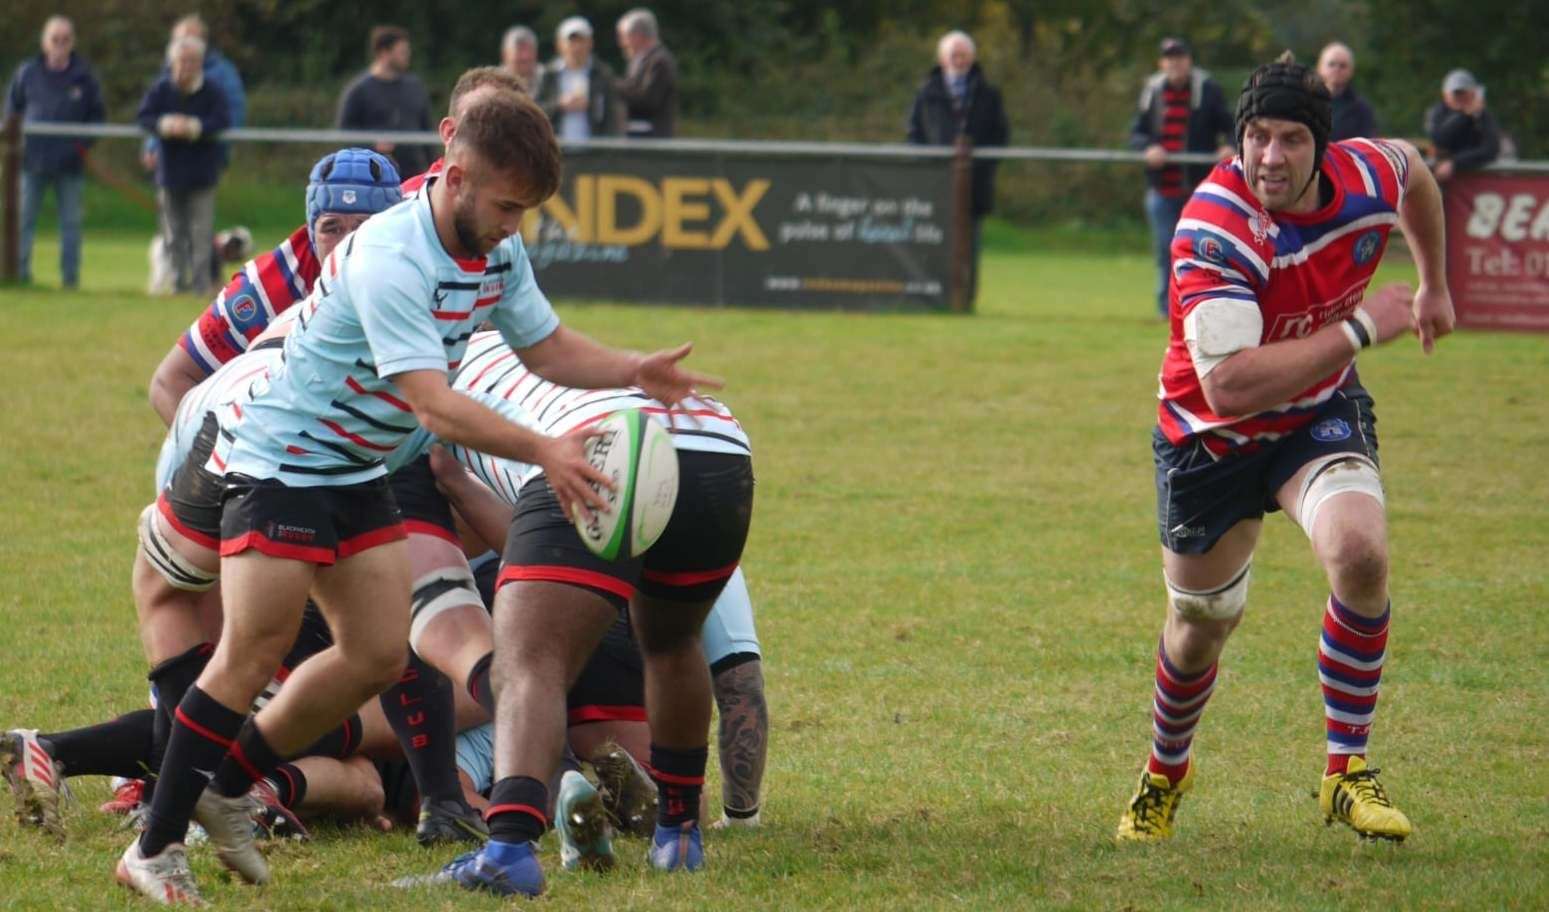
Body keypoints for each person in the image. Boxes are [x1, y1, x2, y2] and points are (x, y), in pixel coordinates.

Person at [115, 87, 719, 905]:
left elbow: (542, 346)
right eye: (507, 204)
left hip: (358, 473)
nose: (515, 225)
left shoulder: (494, 248)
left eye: (526, 210)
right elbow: (433, 403)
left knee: (374, 656)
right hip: (281, 465)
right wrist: (547, 449)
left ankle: (227, 787)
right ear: (454, 166)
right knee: (251, 654)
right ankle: (154, 843)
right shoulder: (391, 254)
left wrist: (630, 371)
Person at [1114, 53, 1454, 846]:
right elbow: (1229, 387)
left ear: (1322, 147)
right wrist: (1362, 327)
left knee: (1359, 553)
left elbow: (1417, 175)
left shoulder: (1368, 170)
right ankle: (1165, 770)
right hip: (1211, 440)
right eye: (1256, 137)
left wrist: (1434, 281)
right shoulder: (1212, 226)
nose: (1268, 156)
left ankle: (1345, 771)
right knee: (1201, 623)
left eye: (1290, 140)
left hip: (1313, 414)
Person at [405, 327, 752, 895]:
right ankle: (680, 836)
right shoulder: (516, 336)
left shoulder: (412, 370)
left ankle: (509, 850)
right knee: (672, 640)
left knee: (529, 658)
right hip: (717, 441)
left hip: (598, 443)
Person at [147, 148, 402, 424]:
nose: (346, 245)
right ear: (311, 233)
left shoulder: (424, 272)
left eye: (364, 227)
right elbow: (169, 382)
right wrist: (218, 460)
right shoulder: (270, 288)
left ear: (393, 231)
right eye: (331, 228)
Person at [1128, 37, 1235, 318]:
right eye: (1169, 57)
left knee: (1203, 251)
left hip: (1199, 190)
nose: (1175, 62)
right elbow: (1135, 133)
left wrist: (1228, 146)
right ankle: (1168, 310)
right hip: (1162, 188)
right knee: (1166, 249)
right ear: (1162, 63)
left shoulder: (1207, 90)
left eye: (1180, 56)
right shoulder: (1152, 91)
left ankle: (1203, 305)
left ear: (1189, 60)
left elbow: (1231, 125)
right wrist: (1147, 148)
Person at [905, 30, 1009, 306]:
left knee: (970, 247)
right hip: (935, 187)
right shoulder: (926, 94)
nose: (959, 60)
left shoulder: (989, 95)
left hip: (974, 187)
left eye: (964, 55)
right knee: (934, 244)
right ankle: (934, 300)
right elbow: (914, 136)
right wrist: (928, 167)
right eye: (954, 55)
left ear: (972, 58)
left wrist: (979, 167)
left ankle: (966, 300)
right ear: (942, 59)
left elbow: (1001, 137)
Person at [3, 16, 105, 288]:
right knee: (23, 222)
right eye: (54, 39)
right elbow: (11, 112)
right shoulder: (27, 72)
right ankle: (18, 276)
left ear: (73, 42)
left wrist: (82, 146)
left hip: (70, 166)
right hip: (31, 163)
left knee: (70, 226)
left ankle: (70, 281)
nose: (60, 44)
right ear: (44, 42)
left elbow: (97, 118)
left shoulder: (84, 77)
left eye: (65, 39)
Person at [137, 34, 230, 296]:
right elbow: (144, 117)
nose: (186, 66)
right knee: (172, 234)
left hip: (203, 175)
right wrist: (166, 125)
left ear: (200, 63)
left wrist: (194, 127)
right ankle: (178, 284)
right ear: (172, 62)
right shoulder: (161, 89)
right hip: (169, 175)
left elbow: (222, 120)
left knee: (201, 235)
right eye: (181, 61)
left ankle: (201, 287)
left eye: (191, 61)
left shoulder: (212, 91)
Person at [143, 15, 246, 176]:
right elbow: (154, 112)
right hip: (169, 159)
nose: (185, 45)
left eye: (191, 39)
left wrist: (217, 147)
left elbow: (233, 114)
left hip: (206, 157)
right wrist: (151, 146)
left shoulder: (223, 73)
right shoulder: (166, 74)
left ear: (203, 42)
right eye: (179, 40)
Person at [337, 25, 434, 178]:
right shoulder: (359, 91)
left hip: (413, 176)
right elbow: (345, 133)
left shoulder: (415, 87)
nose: (407, 56)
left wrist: (433, 169)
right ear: (384, 53)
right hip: (374, 176)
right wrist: (372, 145)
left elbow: (427, 130)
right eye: (402, 52)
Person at [534, 16, 621, 140]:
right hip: (557, 151)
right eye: (572, 41)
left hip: (594, 151)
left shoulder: (603, 74)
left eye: (581, 41)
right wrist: (559, 105)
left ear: (590, 43)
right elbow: (536, 110)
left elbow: (612, 114)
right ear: (559, 44)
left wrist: (590, 105)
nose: (577, 47)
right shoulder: (549, 74)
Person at [1424, 69, 1501, 183]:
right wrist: (1465, 116)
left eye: (1463, 93)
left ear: (1474, 94)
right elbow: (1439, 140)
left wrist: (1454, 163)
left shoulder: (1483, 116)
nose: (1459, 97)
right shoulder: (1437, 112)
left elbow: (1491, 149)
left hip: (1477, 182)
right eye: (1456, 93)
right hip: (1440, 180)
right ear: (1445, 94)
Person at [614, 8, 677, 138]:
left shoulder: (660, 62)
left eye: (624, 37)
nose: (621, 43)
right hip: (638, 137)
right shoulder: (639, 61)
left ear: (638, 36)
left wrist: (613, 86)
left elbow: (649, 100)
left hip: (652, 140)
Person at [147, 224, 252, 296]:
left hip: (166, 243)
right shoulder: (214, 250)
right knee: (159, 285)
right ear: (233, 246)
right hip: (166, 247)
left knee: (166, 285)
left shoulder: (215, 245)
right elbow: (217, 286)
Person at [1316, 42, 1375, 142]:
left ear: (1351, 71)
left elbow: (1366, 145)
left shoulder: (1361, 109)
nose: (1337, 69)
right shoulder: (1306, 102)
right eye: (1331, 64)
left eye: (1343, 66)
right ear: (1320, 68)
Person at [499, 26, 544, 95]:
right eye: (519, 51)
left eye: (529, 50)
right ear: (505, 55)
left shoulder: (547, 77)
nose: (525, 57)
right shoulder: (496, 83)